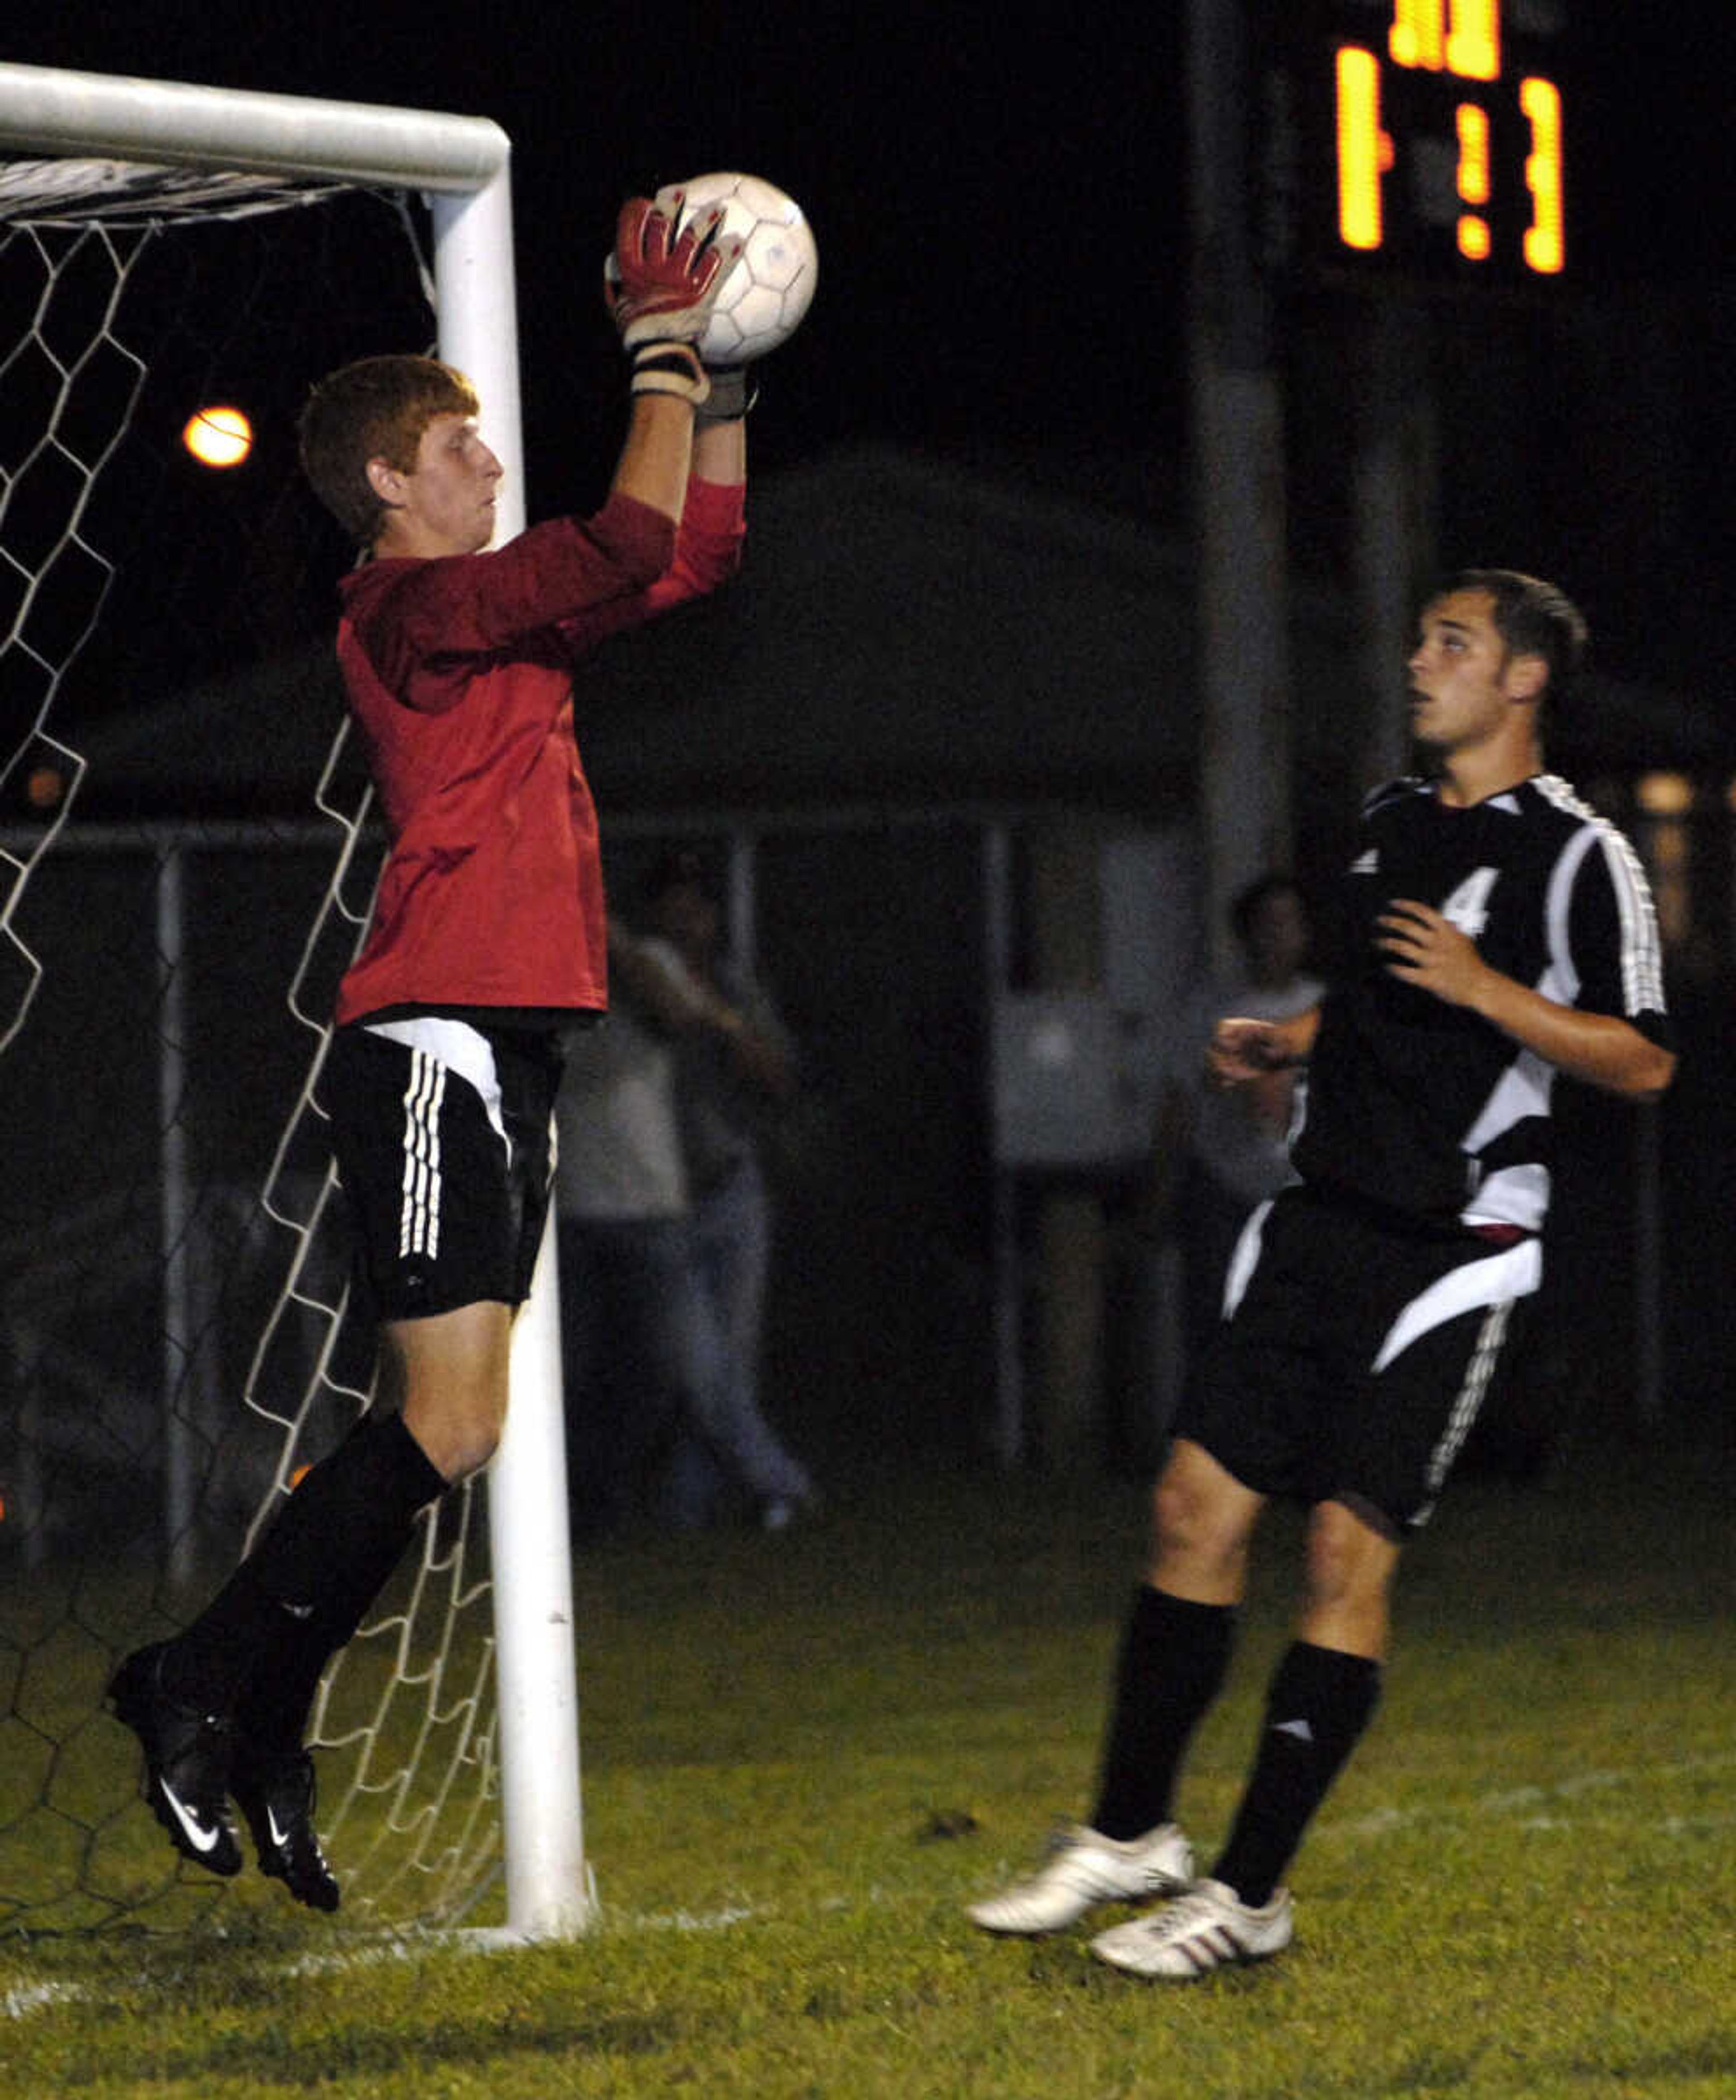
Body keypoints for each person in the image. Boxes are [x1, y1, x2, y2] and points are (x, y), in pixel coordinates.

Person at [107, 190, 751, 1911]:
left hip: (507, 1044)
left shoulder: (498, 611)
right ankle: (198, 1680)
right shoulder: (407, 607)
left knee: (449, 1428)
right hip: (435, 1039)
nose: (484, 458)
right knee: (446, 1422)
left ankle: (251, 1698)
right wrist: (663, 351)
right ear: (392, 480)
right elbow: (621, 541)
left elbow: (685, 554)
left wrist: (731, 385)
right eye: (460, 442)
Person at [967, 570, 1675, 1977]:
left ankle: (1246, 1896)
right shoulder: (1388, 824)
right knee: (1185, 1511)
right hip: (1317, 1221)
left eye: (1450, 643)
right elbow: (1375, 997)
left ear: (1521, 678)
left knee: (1343, 1554)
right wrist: (1297, 1045)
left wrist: (1489, 992)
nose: (1418, 662)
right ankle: (1128, 1838)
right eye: (1418, 638)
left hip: (1453, 1249)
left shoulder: (1580, 853)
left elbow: (1641, 1058)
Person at [556, 910, 813, 1532]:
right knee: (590, 1375)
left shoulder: (643, 970)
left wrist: (613, 939)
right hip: (570, 1211)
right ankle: (596, 1508)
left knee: (697, 1365)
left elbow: (680, 1012)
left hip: (652, 1208)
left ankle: (773, 1487)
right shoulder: (538, 981)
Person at [638, 849, 816, 1529]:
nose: (687, 924)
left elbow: (778, 1073)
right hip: (657, 1201)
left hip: (731, 1187)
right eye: (672, 910)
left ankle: (691, 1508)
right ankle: (779, 1484)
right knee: (692, 1362)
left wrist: (719, 1015)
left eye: (698, 909)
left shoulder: (735, 987)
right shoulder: (635, 989)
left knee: (728, 1363)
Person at [1145, 873, 1324, 1381]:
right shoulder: (1211, 1009)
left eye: (1289, 923)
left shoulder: (1321, 1007)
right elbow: (1178, 1104)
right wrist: (1160, 1192)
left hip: (1302, 1194)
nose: (1278, 936)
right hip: (1225, 1188)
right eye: (1267, 924)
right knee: (1218, 1321)